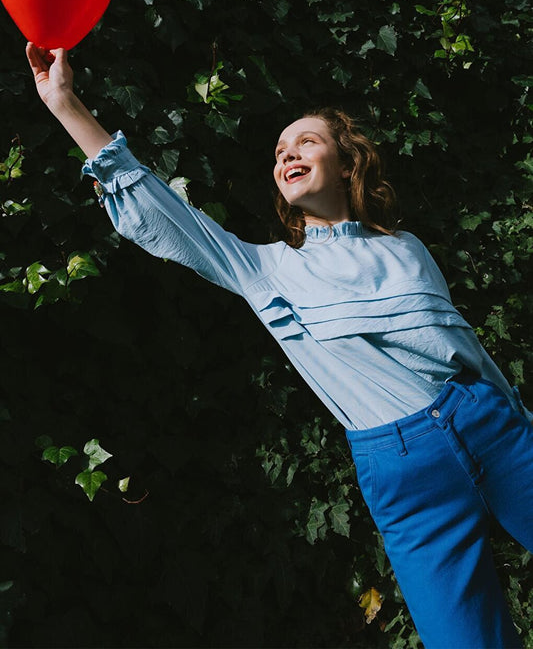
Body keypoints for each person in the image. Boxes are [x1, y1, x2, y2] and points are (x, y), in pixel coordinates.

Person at [27, 42, 533, 649]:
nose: (287, 153)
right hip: (402, 476)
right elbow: (167, 214)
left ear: (348, 165)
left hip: (491, 426)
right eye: (279, 151)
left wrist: (517, 418)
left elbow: (463, 349)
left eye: (307, 142)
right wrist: (65, 103)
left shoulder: (406, 248)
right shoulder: (266, 271)